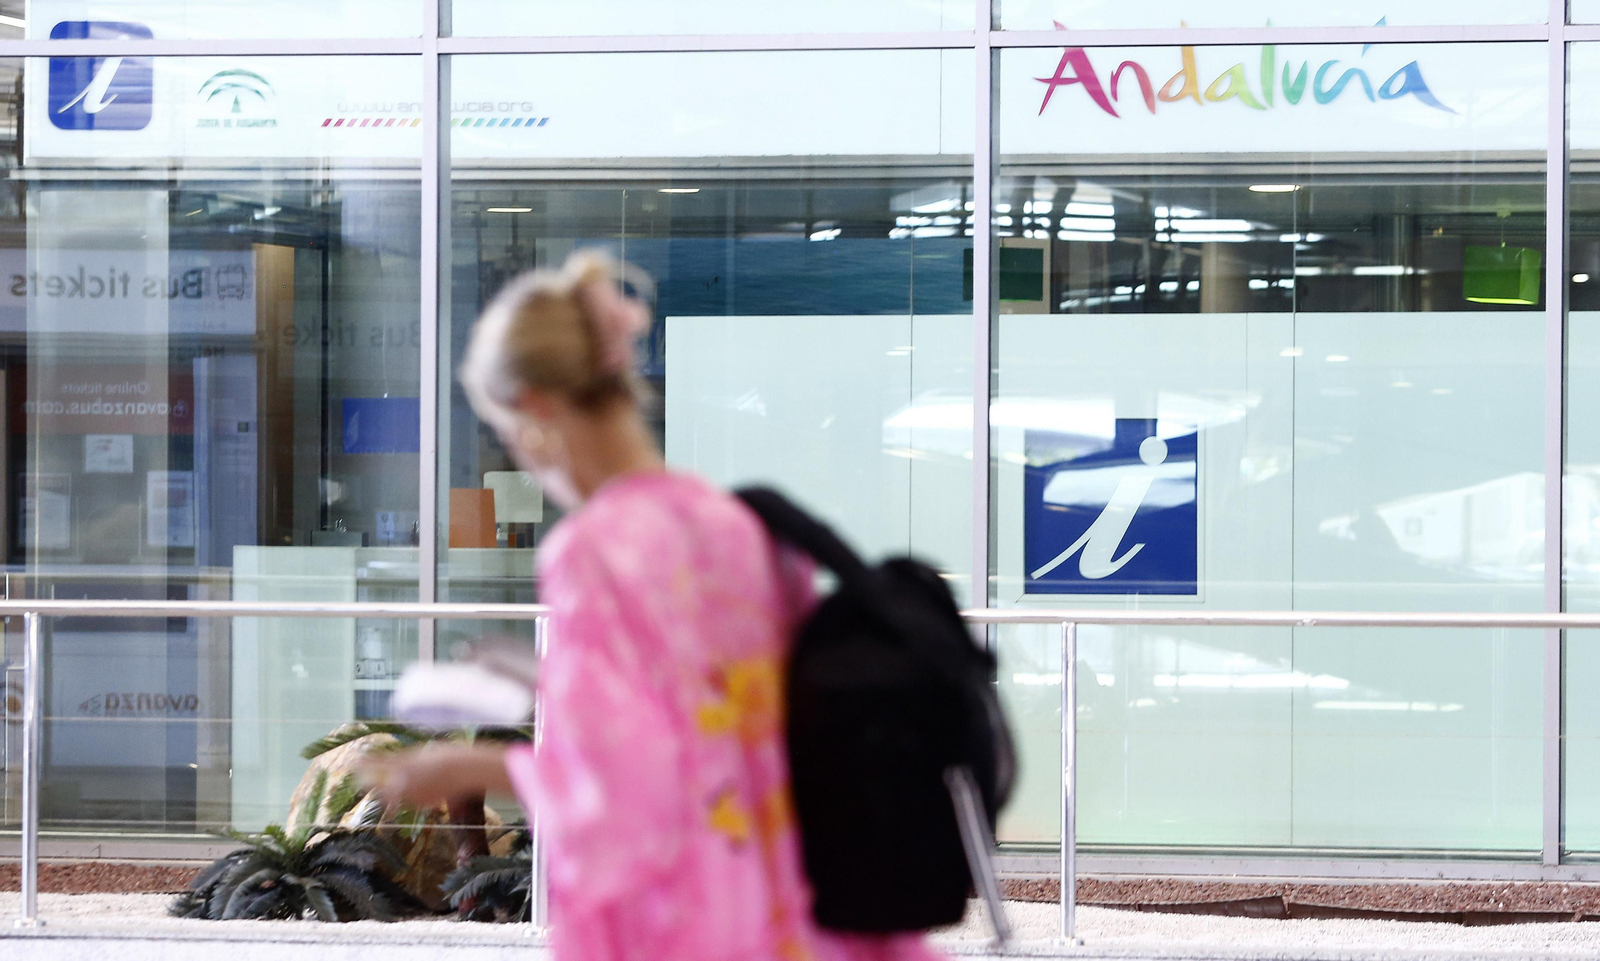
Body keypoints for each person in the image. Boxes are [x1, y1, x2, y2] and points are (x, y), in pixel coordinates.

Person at [365, 251, 943, 961]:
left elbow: (628, 782)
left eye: (510, 436)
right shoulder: (743, 524)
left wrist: (467, 768)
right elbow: (719, 715)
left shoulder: (592, 551)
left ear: (537, 410)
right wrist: (538, 678)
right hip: (791, 903)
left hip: (690, 919)